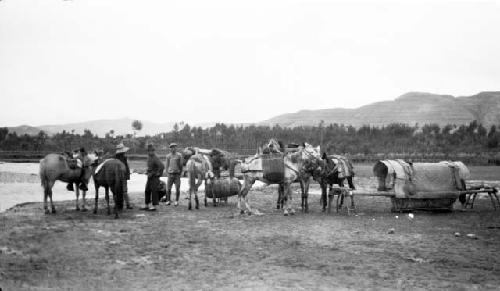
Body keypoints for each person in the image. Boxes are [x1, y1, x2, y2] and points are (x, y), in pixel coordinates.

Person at [141, 144, 164, 211]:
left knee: (154, 191)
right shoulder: (149, 157)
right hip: (149, 176)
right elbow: (150, 167)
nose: (150, 152)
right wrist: (147, 172)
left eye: (151, 151)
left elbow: (162, 166)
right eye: (148, 151)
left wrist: (157, 174)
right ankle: (146, 204)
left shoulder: (155, 157)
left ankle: (155, 206)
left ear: (153, 151)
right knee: (147, 190)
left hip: (154, 177)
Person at [115, 142, 133, 209]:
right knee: (124, 191)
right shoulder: (125, 158)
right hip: (123, 176)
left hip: (116, 176)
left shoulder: (115, 157)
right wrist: (128, 176)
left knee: (117, 191)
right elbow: (127, 167)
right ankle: (128, 204)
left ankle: (118, 205)